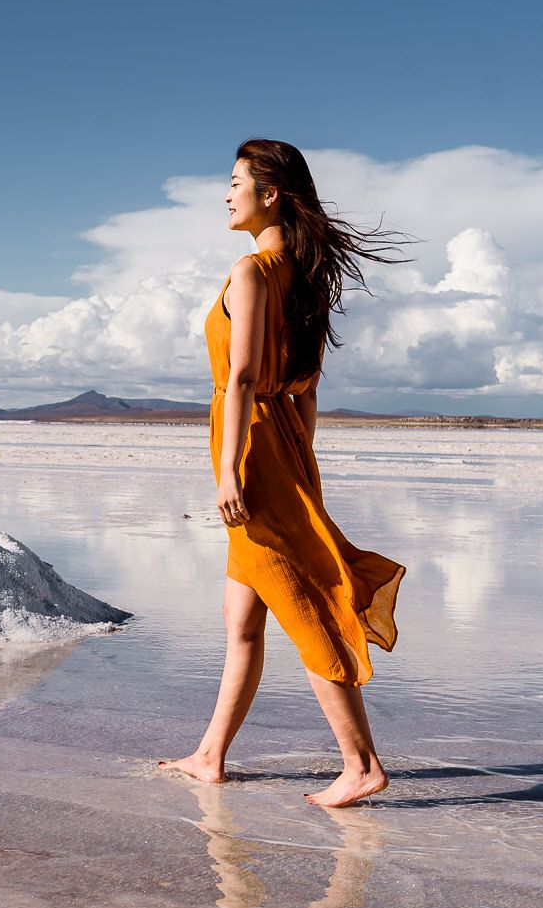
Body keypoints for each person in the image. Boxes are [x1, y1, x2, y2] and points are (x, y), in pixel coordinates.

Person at [160, 139, 413, 809]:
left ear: (271, 194)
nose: (227, 193)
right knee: (240, 618)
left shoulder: (251, 272)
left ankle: (361, 763)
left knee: (305, 607)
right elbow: (304, 392)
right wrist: (297, 463)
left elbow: (241, 378)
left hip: (254, 456)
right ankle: (211, 754)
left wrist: (233, 472)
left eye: (236, 180)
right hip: (285, 448)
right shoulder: (300, 280)